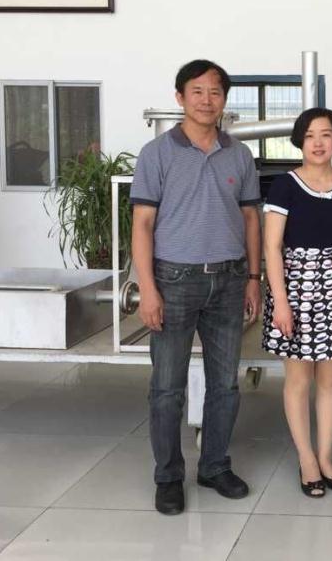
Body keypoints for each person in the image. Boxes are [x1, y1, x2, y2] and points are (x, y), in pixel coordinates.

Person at [130, 59, 262, 515]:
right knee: (167, 387)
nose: (207, 100)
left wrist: (253, 278)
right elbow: (142, 224)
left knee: (225, 384)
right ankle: (168, 477)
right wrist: (147, 288)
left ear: (225, 99)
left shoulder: (239, 155)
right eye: (198, 91)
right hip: (174, 281)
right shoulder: (156, 153)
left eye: (216, 92)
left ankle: (214, 466)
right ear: (180, 97)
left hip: (229, 281)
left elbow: (250, 219)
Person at [262, 107, 332, 498]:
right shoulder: (285, 186)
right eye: (309, 136)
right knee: (298, 380)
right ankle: (306, 459)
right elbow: (272, 247)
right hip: (295, 288)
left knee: (330, 380)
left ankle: (325, 457)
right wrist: (281, 301)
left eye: (325, 134)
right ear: (299, 142)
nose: (318, 142)